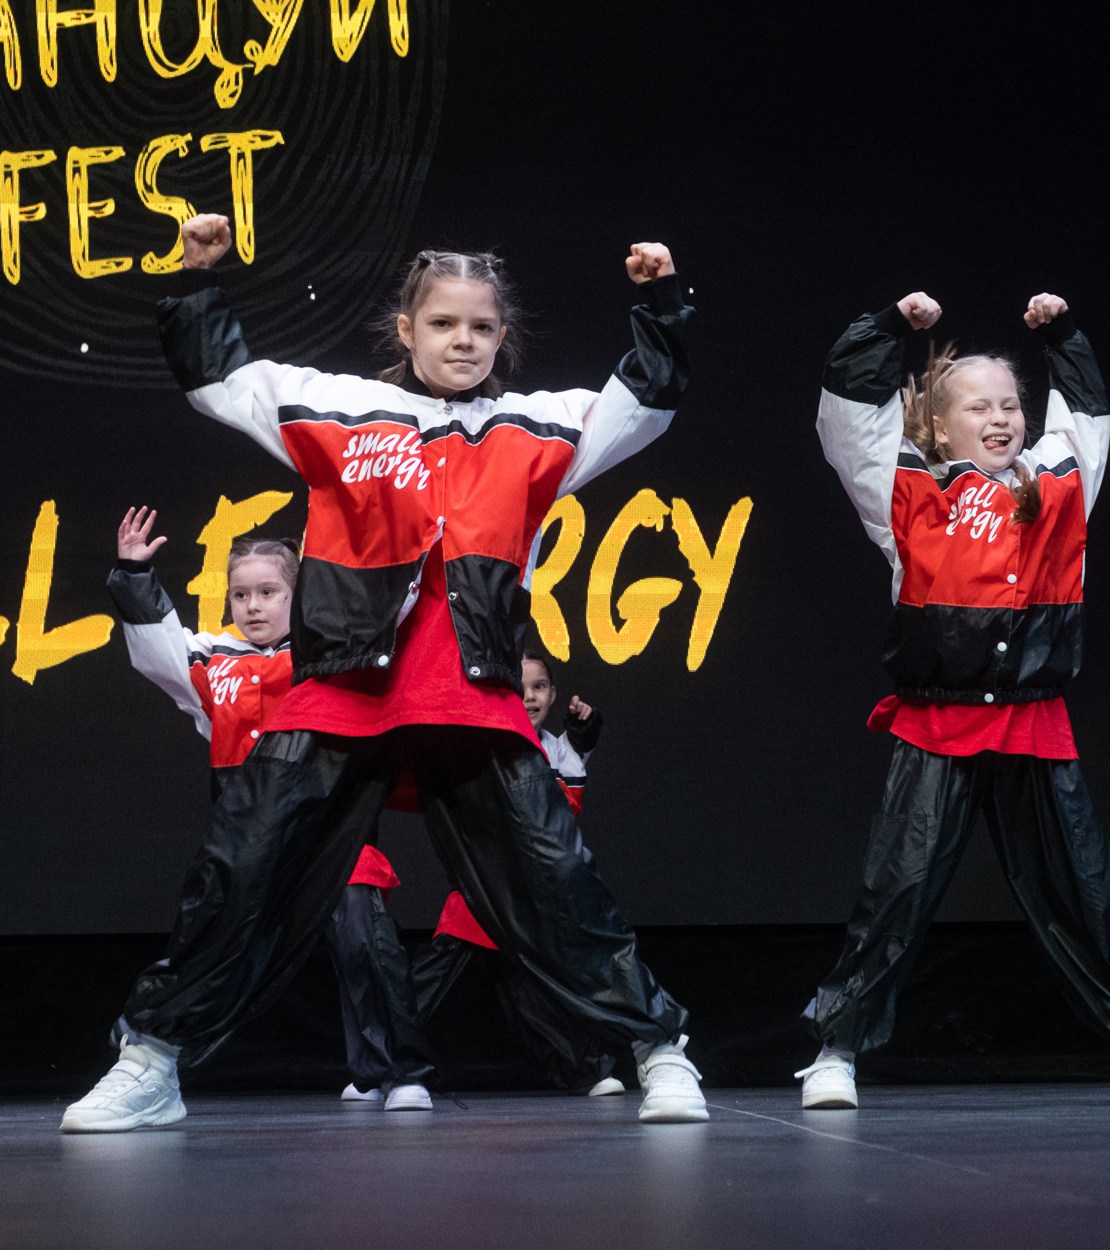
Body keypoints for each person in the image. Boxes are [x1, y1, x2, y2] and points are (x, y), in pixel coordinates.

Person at [61, 215, 705, 1132]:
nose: (463, 342)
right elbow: (223, 382)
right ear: (406, 331)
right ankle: (151, 1059)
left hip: (470, 701)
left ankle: (659, 1052)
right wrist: (198, 278)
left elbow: (645, 397)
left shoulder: (539, 429)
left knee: (557, 888)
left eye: (481, 328)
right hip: (338, 697)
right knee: (239, 875)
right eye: (443, 324)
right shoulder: (339, 410)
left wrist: (659, 300)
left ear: (502, 338)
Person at [799, 289, 1110, 1109]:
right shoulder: (906, 495)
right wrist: (890, 328)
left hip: (1034, 721)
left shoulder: (1062, 485)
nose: (1000, 418)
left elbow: (1089, 411)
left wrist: (1063, 336)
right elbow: (846, 412)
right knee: (897, 891)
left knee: (1086, 894)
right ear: (935, 422)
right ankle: (836, 1052)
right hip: (938, 720)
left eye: (1010, 405)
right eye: (978, 407)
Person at [107, 511, 436, 1109]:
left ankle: (396, 1073)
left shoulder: (326, 654)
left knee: (365, 942)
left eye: (268, 592)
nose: (252, 605)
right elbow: (157, 646)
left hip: (330, 830)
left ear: (298, 593)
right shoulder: (211, 659)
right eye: (240, 594)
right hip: (247, 844)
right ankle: (150, 1066)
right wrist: (134, 574)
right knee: (210, 954)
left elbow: (395, 616)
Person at [409, 652, 627, 1096]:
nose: (529, 697)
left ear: (553, 693)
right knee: (433, 975)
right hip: (489, 887)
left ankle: (582, 1070)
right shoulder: (489, 747)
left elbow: (583, 740)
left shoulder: (562, 750)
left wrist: (586, 723)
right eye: (519, 687)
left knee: (532, 988)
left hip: (538, 894)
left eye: (539, 687)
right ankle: (379, 1064)